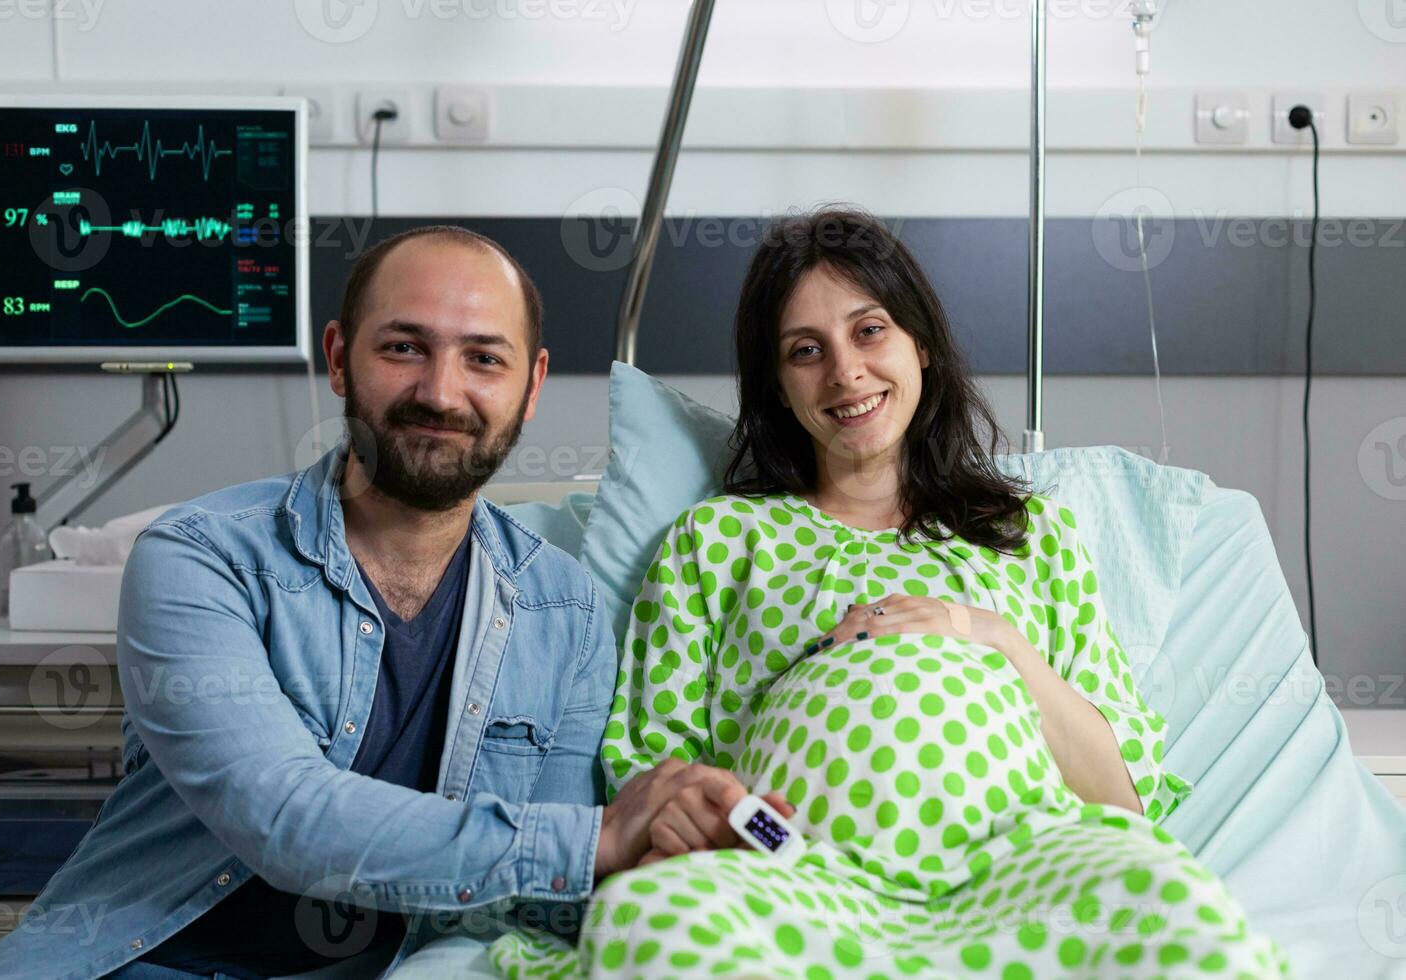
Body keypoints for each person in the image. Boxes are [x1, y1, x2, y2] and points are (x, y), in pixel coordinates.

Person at [490, 209, 1289, 978]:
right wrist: (740, 831)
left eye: (870, 331)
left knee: (1185, 921)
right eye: (806, 350)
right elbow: (656, 770)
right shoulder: (719, 540)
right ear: (777, 385)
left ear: (922, 346)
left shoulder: (1031, 533)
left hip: (1026, 853)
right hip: (789, 864)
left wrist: (989, 635)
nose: (846, 372)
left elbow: (1122, 803)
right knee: (649, 926)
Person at [0, 226, 755, 980]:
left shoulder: (568, 614)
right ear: (342, 358)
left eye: (484, 358)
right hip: (142, 961)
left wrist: (691, 858)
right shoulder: (202, 558)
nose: (441, 392)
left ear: (532, 387)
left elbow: (533, 903)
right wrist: (601, 838)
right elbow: (286, 818)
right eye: (404, 347)